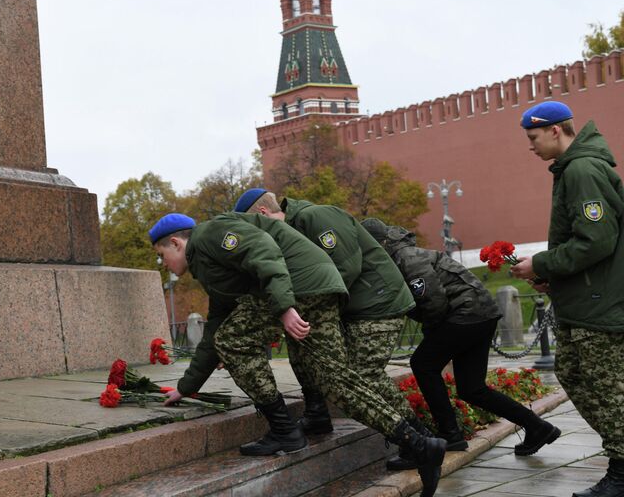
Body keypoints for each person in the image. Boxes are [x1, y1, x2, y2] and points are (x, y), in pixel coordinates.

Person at [150, 212, 446, 496]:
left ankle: (283, 430)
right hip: (317, 285)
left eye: (162, 256)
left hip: (299, 287)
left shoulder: (209, 235)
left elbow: (262, 248)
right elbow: (216, 324)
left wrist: (284, 307)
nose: (164, 264)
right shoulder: (207, 265)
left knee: (232, 341)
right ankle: (419, 443)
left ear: (176, 243)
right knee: (334, 378)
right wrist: (186, 387)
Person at [234, 189, 435, 471]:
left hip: (377, 302)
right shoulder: (288, 231)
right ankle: (317, 413)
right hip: (355, 306)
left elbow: (346, 267)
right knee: (302, 345)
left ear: (262, 215)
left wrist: (308, 306)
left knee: (362, 375)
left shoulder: (315, 216)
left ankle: (421, 440)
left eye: (254, 228)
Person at [362, 218, 560, 457]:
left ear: (377, 243)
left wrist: (431, 332)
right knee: (471, 389)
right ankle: (538, 427)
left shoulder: (406, 257)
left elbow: (432, 300)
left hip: (467, 314)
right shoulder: (399, 255)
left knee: (423, 363)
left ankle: (450, 434)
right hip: (479, 314)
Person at [511, 101, 624, 497]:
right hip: (585, 298)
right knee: (574, 374)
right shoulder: (571, 169)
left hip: (600, 303)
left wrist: (541, 262)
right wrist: (549, 275)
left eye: (533, 137)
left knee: (606, 387)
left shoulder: (581, 169)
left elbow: (596, 240)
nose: (530, 146)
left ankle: (623, 472)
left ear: (555, 130)